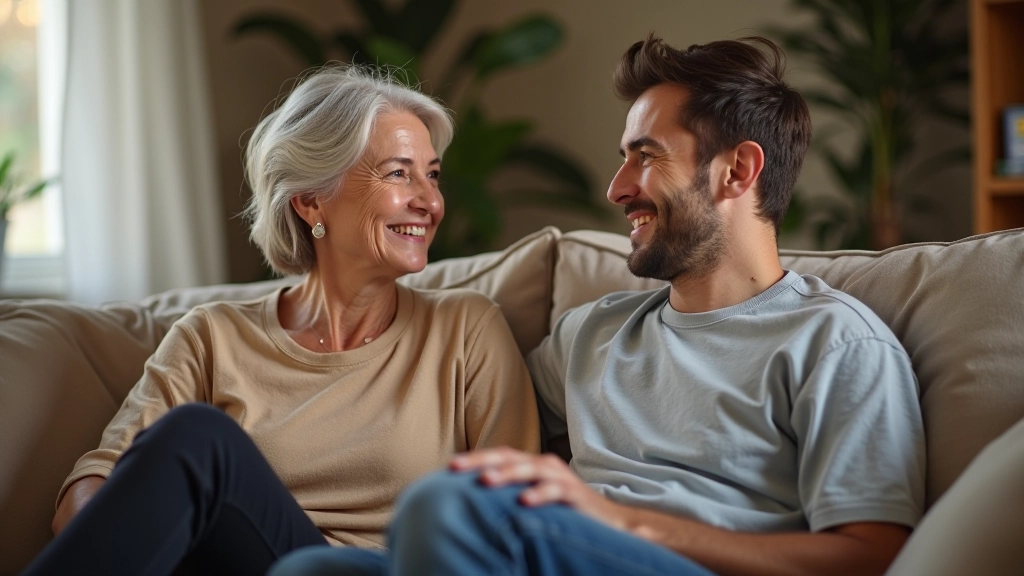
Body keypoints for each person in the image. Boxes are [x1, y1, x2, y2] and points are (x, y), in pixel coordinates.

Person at [272, 35, 925, 576]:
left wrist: (622, 521)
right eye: (623, 159)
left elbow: (873, 556)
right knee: (313, 570)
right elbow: (446, 416)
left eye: (646, 157)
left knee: (450, 506)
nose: (617, 188)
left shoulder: (834, 342)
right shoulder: (593, 335)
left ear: (737, 171)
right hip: (563, 554)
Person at [23, 65, 540, 576]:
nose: (430, 201)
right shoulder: (212, 337)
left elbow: (514, 522)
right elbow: (89, 487)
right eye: (399, 173)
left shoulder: (466, 329)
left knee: (202, 437)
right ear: (311, 201)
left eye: (432, 175)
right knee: (196, 439)